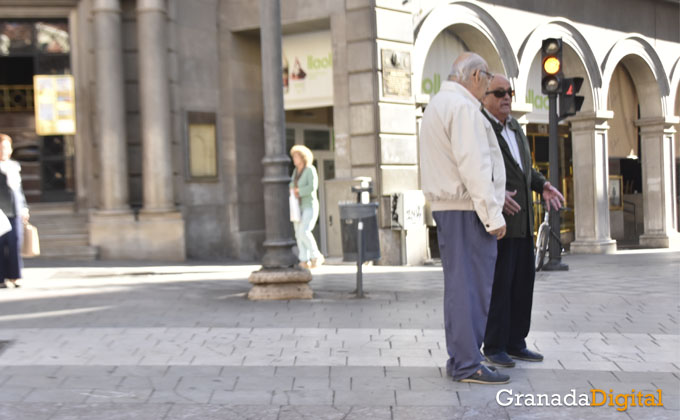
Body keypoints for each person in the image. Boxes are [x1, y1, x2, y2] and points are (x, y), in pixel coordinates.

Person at [419, 52, 508, 384]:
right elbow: (475, 166)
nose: (487, 89)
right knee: (471, 288)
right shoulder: (464, 108)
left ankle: (462, 358)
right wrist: (492, 215)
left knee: (460, 287)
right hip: (467, 210)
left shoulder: (439, 104)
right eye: (487, 81)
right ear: (475, 77)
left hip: (452, 209)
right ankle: (468, 362)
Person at [480, 74, 564, 367]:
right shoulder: (481, 126)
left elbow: (524, 167)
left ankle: (516, 341)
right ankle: (494, 345)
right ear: (485, 97)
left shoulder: (514, 126)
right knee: (499, 287)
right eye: (500, 92)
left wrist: (542, 184)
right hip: (499, 224)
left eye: (510, 92)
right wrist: (494, 192)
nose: (506, 97)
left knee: (522, 285)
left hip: (524, 221)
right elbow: (474, 169)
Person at [0, 133, 29, 288]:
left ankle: (15, 276)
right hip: (0, 213)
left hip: (15, 212)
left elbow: (19, 191)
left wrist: (24, 208)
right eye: (1, 147)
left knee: (15, 243)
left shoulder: (14, 167)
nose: (4, 150)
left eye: (6, 147)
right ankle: (1, 278)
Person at [289, 145, 323, 269]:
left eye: (296, 156)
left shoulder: (310, 170)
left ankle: (316, 255)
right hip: (297, 207)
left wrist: (299, 191)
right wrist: (293, 189)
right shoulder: (295, 171)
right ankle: (304, 259)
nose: (294, 159)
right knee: (298, 233)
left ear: (303, 157)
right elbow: (291, 183)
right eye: (293, 156)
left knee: (304, 230)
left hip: (309, 205)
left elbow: (312, 187)